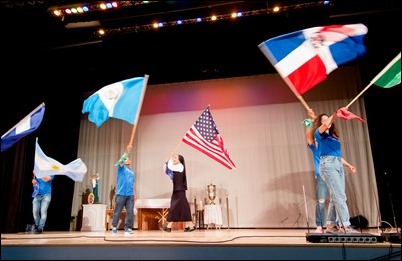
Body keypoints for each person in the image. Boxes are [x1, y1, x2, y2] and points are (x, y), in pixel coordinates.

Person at [305, 109, 356, 233]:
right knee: (329, 198)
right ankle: (345, 225)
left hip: (336, 164)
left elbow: (337, 155)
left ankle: (331, 224)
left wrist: (348, 165)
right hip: (326, 167)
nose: (326, 122)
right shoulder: (318, 135)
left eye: (327, 119)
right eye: (323, 120)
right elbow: (310, 134)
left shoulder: (331, 138)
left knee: (336, 196)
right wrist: (335, 114)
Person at [161, 153, 196, 232]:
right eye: (174, 158)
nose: (174, 159)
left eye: (175, 158)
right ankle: (191, 226)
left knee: (174, 208)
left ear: (180, 160)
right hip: (177, 190)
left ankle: (169, 227)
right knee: (184, 209)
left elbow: (170, 166)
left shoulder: (180, 166)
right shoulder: (176, 166)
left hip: (179, 191)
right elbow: (166, 169)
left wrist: (170, 159)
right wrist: (168, 160)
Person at [111, 145, 135, 235]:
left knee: (130, 211)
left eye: (128, 158)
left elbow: (133, 184)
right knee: (118, 210)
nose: (128, 159)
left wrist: (134, 195)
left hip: (130, 194)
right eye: (126, 158)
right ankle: (114, 226)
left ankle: (128, 228)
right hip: (121, 193)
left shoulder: (132, 172)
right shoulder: (121, 168)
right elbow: (120, 161)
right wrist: (127, 151)